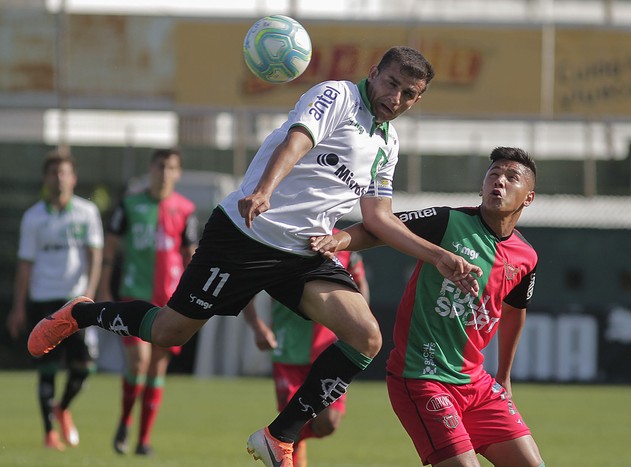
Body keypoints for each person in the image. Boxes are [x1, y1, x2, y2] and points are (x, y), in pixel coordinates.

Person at [27, 46, 482, 467]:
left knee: (366, 337)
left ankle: (278, 435)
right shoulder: (338, 95)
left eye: (409, 94)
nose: (396, 97)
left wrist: (437, 255)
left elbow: (379, 219)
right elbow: (298, 140)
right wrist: (264, 189)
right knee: (168, 332)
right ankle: (83, 313)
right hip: (245, 234)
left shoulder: (389, 144)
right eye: (391, 83)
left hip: (303, 253)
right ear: (373, 74)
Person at [311, 147, 545, 466]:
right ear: (482, 185)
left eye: (511, 177)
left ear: (528, 198)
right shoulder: (448, 221)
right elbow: (381, 227)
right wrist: (338, 241)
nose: (499, 181)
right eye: (493, 174)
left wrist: (504, 374)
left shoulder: (526, 257)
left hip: (477, 382)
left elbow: (515, 312)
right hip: (424, 376)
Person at [96, 148, 198, 456]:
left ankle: (143, 440)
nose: (165, 173)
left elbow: (190, 256)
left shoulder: (185, 209)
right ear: (150, 169)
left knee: (156, 369)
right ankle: (125, 421)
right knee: (138, 362)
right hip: (133, 295)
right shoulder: (129, 205)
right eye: (160, 166)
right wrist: (104, 288)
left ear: (178, 173)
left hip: (171, 302)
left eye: (171, 167)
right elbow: (110, 249)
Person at [7, 151, 103, 451]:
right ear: (45, 179)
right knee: (46, 367)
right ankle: (49, 432)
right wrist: (18, 306)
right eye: (53, 173)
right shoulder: (33, 217)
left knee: (84, 367)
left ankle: (62, 407)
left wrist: (89, 293)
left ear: (73, 178)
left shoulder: (87, 212)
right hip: (43, 299)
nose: (58, 178)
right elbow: (25, 264)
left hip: (74, 302)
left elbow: (95, 255)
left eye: (64, 173)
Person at [245, 241, 370, 467]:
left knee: (329, 422)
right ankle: (286, 445)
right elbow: (247, 284)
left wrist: (360, 327)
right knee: (290, 420)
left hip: (329, 347)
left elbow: (360, 284)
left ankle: (292, 440)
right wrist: (257, 327)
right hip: (288, 348)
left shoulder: (344, 243)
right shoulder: (283, 239)